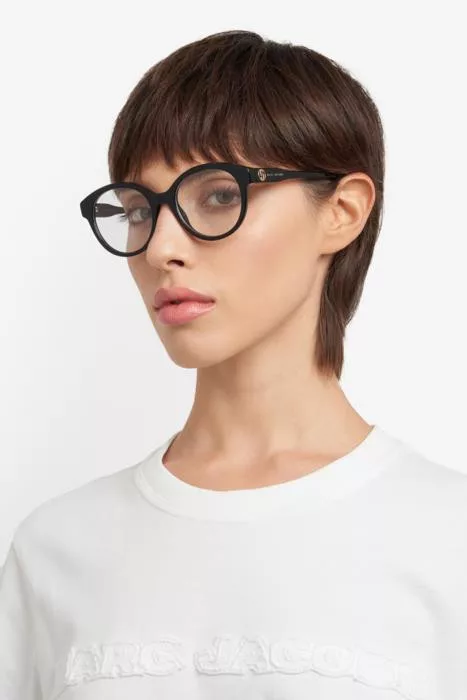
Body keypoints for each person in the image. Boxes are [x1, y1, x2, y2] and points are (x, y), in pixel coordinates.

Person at [1, 28, 466, 700]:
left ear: (342, 211)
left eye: (218, 196)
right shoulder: (56, 549)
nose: (160, 248)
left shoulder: (448, 539)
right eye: (139, 209)